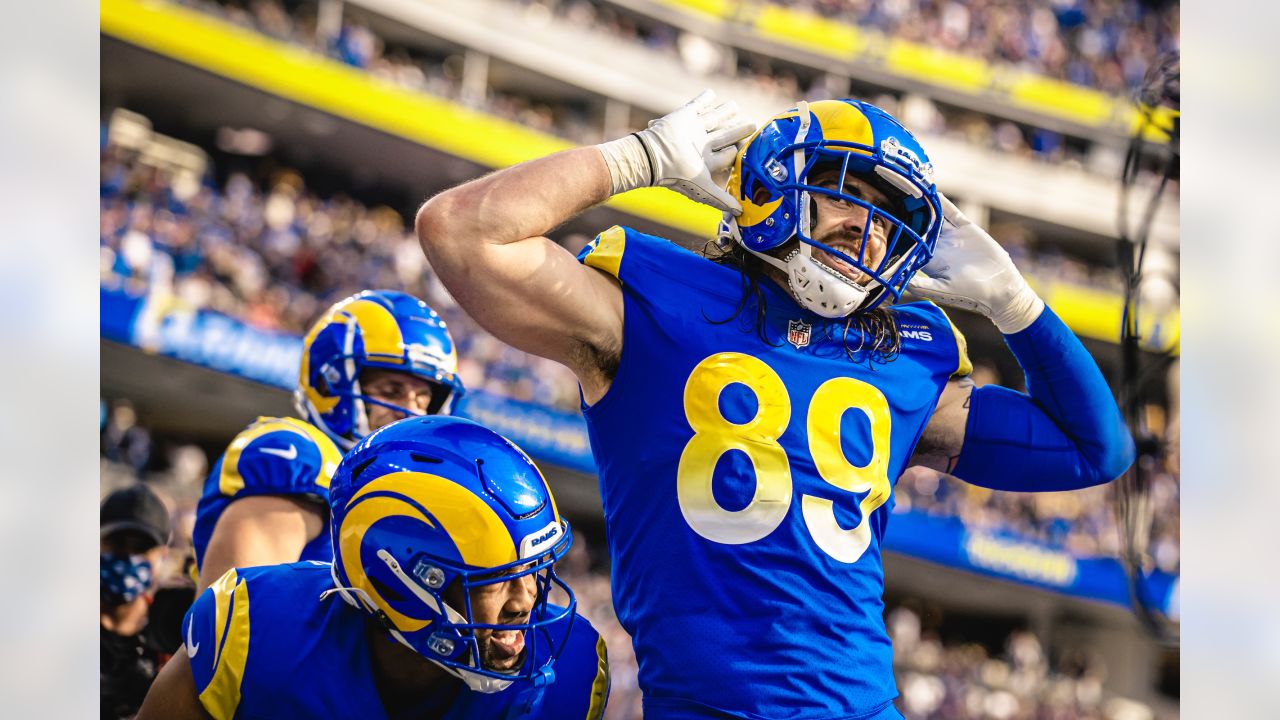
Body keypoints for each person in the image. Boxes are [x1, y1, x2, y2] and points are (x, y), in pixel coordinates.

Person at [414, 92, 1134, 718]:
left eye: (891, 217)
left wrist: (1018, 306)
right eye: (849, 192)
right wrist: (636, 159)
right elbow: (460, 230)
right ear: (775, 186)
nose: (870, 226)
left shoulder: (905, 358)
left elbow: (1093, 449)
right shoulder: (654, 302)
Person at [138, 415, 610, 719]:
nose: (527, 599)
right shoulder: (251, 632)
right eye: (498, 578)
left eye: (533, 571)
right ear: (400, 582)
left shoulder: (570, 675)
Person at [191, 289, 465, 591]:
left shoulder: (399, 493)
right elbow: (240, 619)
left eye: (423, 398)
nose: (411, 411)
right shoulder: (301, 456)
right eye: (391, 391)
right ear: (330, 384)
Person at [101, 483, 189, 719]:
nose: (129, 557)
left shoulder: (174, 634)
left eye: (141, 548)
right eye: (118, 543)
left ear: (162, 557)